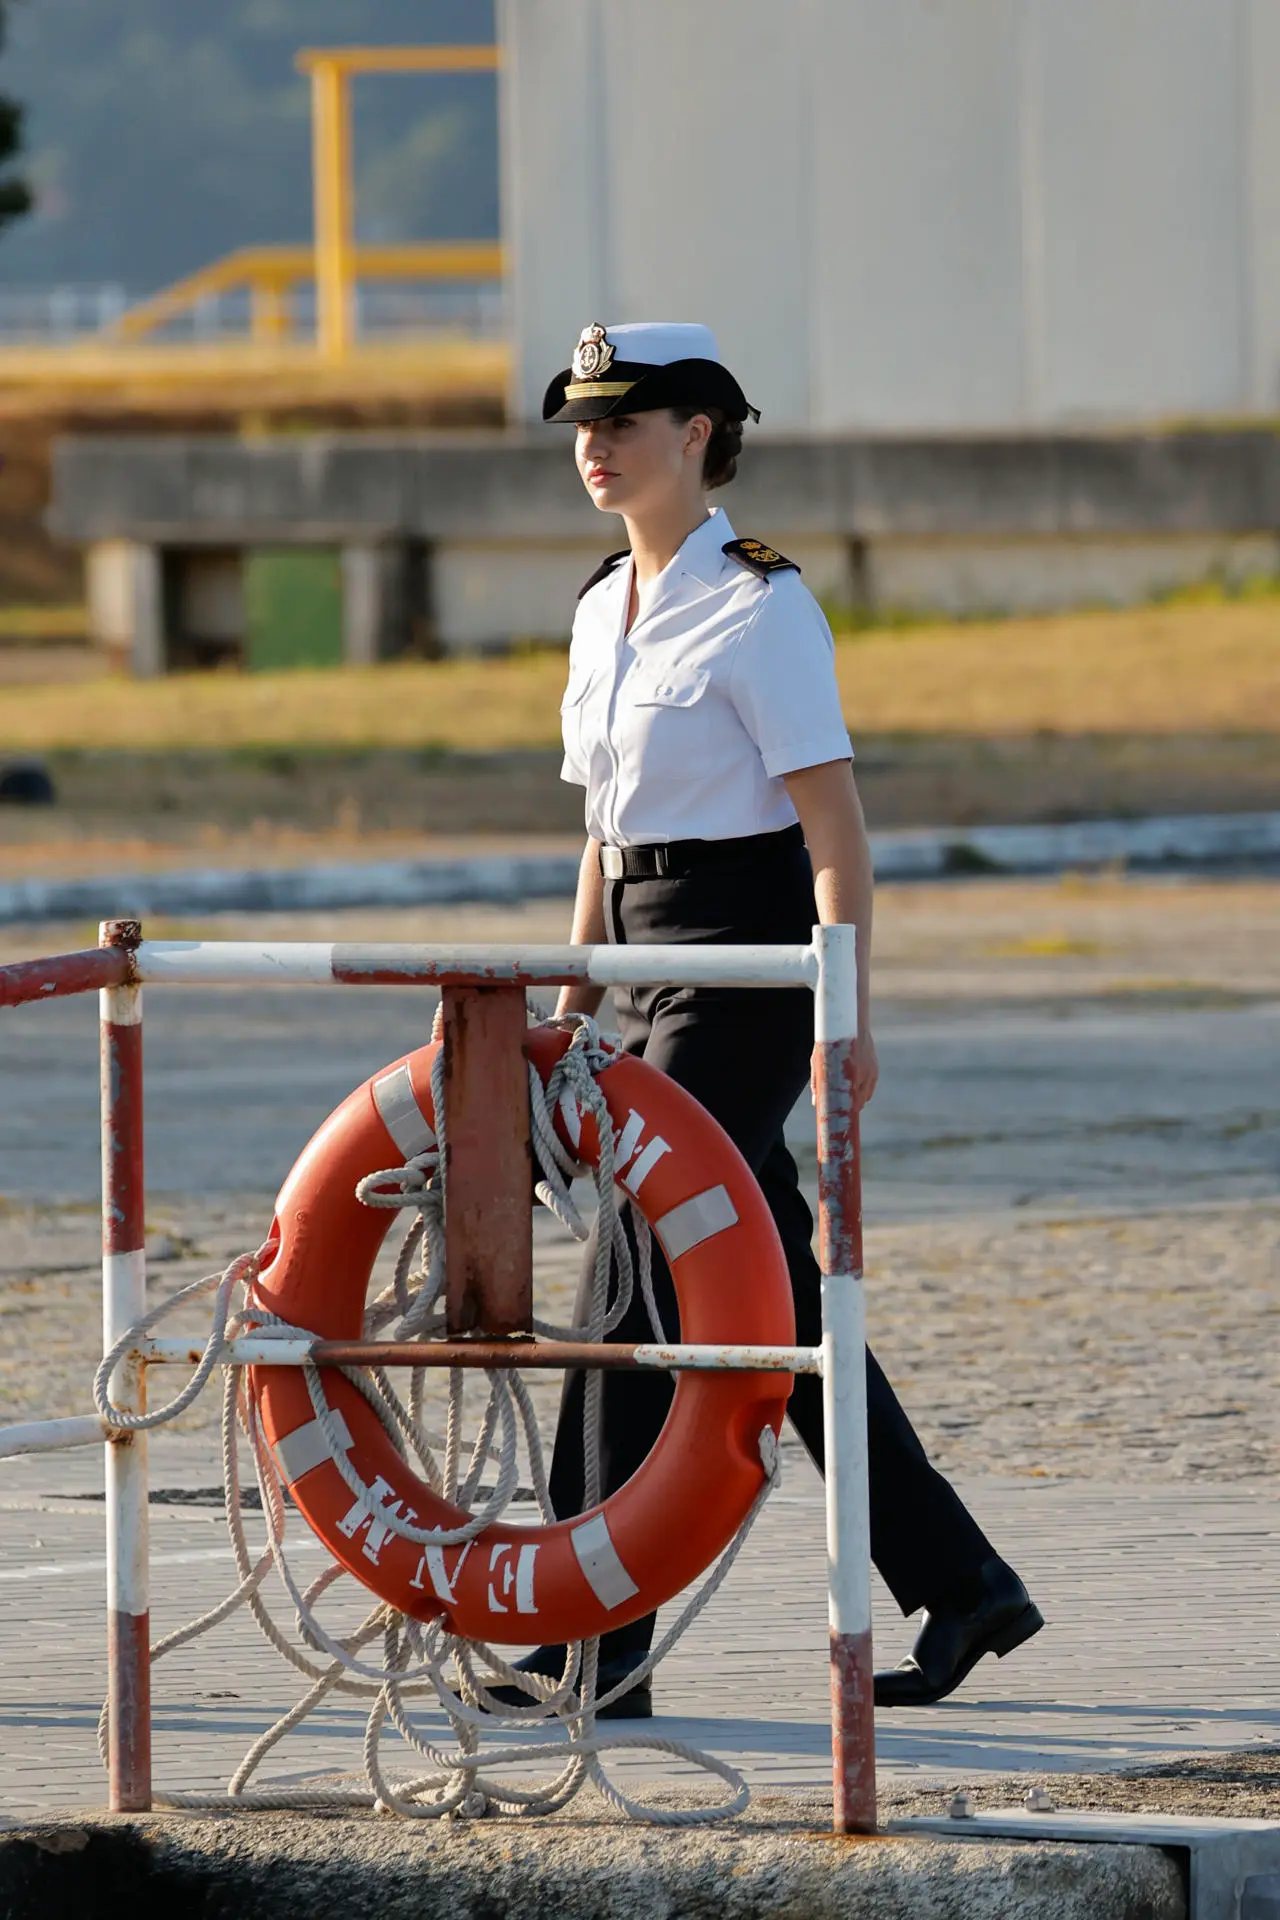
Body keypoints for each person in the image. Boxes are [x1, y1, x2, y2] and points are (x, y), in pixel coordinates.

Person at [489, 321, 1043, 1718]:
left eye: (627, 421)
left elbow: (837, 832)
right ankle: (965, 1584)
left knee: (633, 1265)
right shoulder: (600, 602)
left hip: (744, 969)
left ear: (702, 434)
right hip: (645, 956)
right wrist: (571, 997)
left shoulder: (762, 606)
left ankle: (592, 1639)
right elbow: (604, 839)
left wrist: (837, 1011)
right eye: (581, 424)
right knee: (773, 1298)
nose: (594, 446)